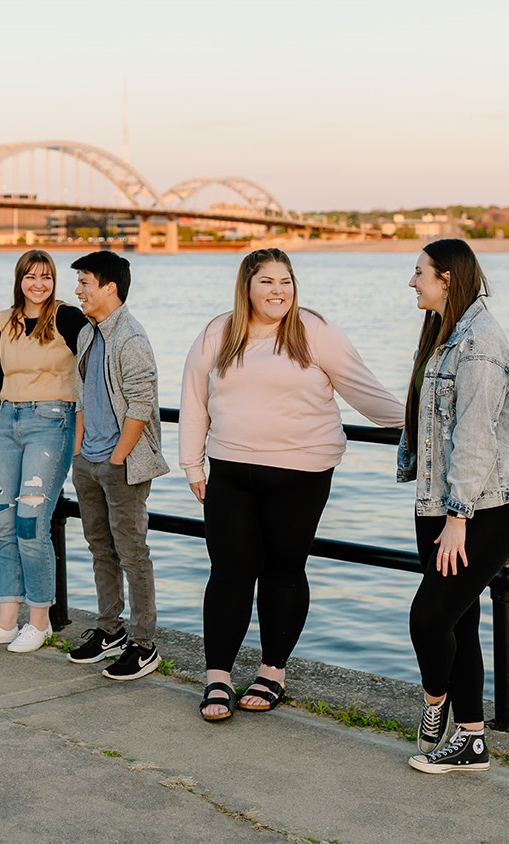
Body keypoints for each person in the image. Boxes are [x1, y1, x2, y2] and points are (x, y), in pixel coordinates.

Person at [180, 248, 404, 722]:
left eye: (286, 280)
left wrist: (426, 424)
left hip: (301, 474)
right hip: (229, 473)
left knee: (283, 570)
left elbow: (367, 394)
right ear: (247, 286)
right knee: (228, 573)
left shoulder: (316, 333)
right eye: (267, 281)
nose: (278, 290)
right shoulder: (217, 333)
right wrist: (192, 465)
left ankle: (272, 670)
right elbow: (194, 400)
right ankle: (217, 676)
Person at [399, 238, 509, 773]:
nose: (412, 281)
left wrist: (458, 519)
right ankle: (471, 735)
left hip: (484, 506)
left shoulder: (479, 345)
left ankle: (440, 705)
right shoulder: (442, 332)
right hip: (439, 499)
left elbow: (475, 438)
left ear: (447, 279)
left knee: (428, 619)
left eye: (419, 272)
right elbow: (432, 418)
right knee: (458, 619)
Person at [0, 250, 87, 654]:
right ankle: (5, 620)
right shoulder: (3, 321)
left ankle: (39, 621)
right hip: (6, 426)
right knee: (5, 525)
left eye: (47, 277)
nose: (39, 284)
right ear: (19, 280)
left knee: (31, 524)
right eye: (31, 276)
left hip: (51, 425)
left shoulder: (69, 318)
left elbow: (93, 368)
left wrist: (85, 427)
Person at [66, 250, 170, 680]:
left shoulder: (131, 337)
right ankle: (110, 630)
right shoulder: (89, 334)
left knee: (132, 553)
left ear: (110, 287)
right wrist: (79, 452)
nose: (78, 291)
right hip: (87, 461)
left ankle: (144, 644)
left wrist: (117, 458)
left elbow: (141, 405)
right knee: (99, 549)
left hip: (120, 465)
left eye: (85, 282)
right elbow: (81, 398)